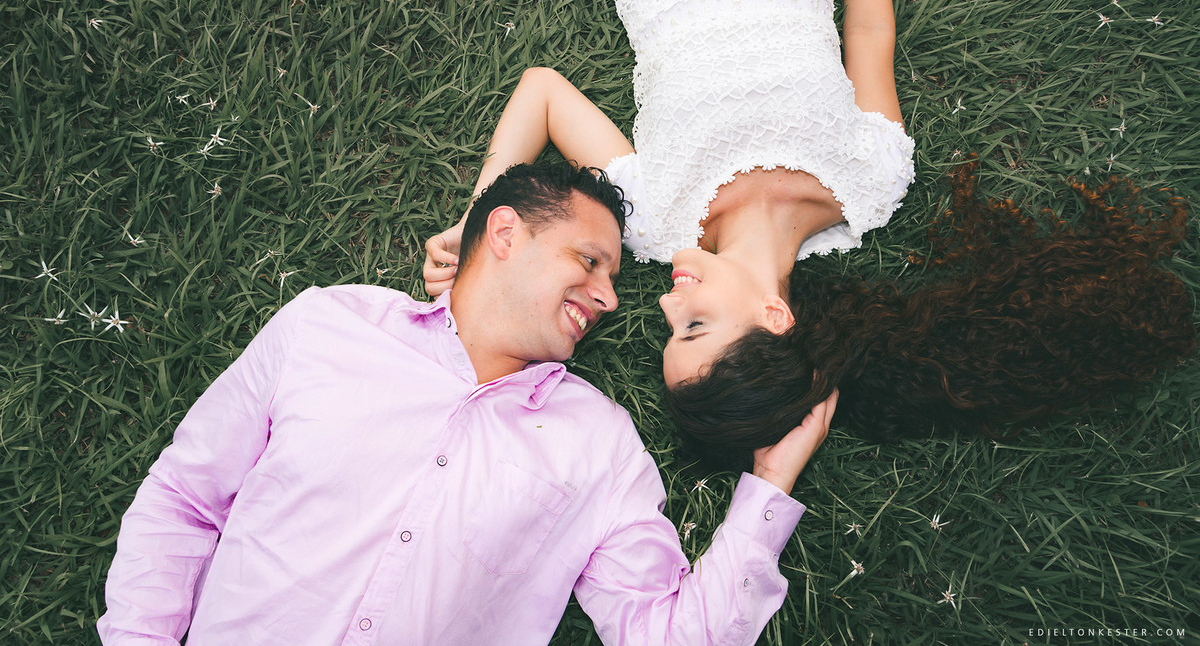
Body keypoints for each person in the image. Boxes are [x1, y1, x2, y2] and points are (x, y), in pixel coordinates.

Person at [426, 0, 1195, 473]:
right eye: (693, 326)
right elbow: (868, 41)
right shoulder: (872, 181)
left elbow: (544, 93)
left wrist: (473, 223)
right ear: (773, 316)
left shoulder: (654, 217)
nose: (662, 304)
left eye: (670, 330)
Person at [98, 162, 838, 645]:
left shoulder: (598, 447)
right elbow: (185, 501)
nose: (610, 297)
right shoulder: (328, 325)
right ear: (507, 233)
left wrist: (769, 488)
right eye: (590, 261)